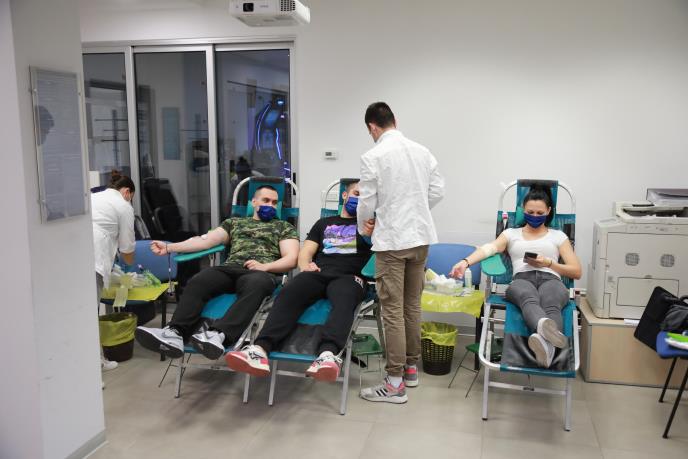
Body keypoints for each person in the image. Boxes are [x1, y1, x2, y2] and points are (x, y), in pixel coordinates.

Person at [225, 181, 372, 381]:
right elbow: (306, 251)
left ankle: (327, 354)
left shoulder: (369, 225)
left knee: (345, 298)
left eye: (364, 197)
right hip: (318, 272)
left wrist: (372, 233)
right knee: (290, 291)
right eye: (356, 193)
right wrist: (305, 266)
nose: (359, 199)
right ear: (344, 196)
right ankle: (260, 349)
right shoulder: (324, 223)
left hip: (350, 276)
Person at [135, 185, 299, 360]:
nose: (270, 205)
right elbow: (205, 241)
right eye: (266, 200)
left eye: (274, 202)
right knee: (200, 280)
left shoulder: (283, 227)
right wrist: (169, 247)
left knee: (257, 284)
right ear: (253, 202)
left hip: (259, 272)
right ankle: (174, 332)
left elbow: (291, 259)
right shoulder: (234, 223)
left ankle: (219, 335)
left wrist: (265, 267)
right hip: (229, 268)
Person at [357, 102, 445, 404]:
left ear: (372, 127)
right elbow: (438, 191)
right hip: (420, 239)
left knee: (392, 310)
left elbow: (366, 201)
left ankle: (394, 384)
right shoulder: (422, 151)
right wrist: (414, 210)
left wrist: (365, 226)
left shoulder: (373, 156)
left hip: (393, 241)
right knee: (411, 306)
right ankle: (410, 369)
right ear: (394, 120)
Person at [450, 185, 582, 368]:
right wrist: (465, 262)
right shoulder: (511, 234)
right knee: (528, 298)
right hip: (522, 279)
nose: (535, 216)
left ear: (548, 211)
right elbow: (488, 249)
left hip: (551, 278)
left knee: (552, 302)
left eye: (540, 213)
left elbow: (576, 271)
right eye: (530, 212)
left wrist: (548, 263)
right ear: (523, 210)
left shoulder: (558, 236)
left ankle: (545, 344)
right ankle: (545, 333)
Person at [91, 171, 136, 373]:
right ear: (127, 192)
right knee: (90, 314)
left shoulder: (95, 196)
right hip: (95, 258)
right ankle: (96, 364)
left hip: (75, 258)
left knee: (81, 312)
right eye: (131, 197)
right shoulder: (123, 206)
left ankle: (92, 362)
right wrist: (129, 264)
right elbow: (128, 252)